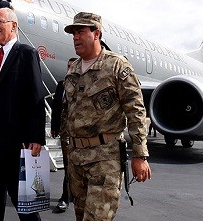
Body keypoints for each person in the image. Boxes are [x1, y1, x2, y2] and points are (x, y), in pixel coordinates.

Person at [62, 12, 152, 221]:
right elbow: (68, 112)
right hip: (76, 160)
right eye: (73, 33)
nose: (75, 37)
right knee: (80, 216)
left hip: (105, 159)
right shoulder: (72, 70)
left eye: (81, 31)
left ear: (97, 34)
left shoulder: (117, 66)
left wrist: (140, 155)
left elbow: (136, 111)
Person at [0, 7, 46, 221]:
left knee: (25, 206)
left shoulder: (26, 54)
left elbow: (36, 96)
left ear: (14, 26)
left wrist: (36, 136)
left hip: (14, 144)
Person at [50, 57, 77, 214]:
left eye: (72, 66)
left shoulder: (85, 85)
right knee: (68, 165)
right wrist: (54, 127)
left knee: (76, 166)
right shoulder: (61, 85)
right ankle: (66, 197)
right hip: (65, 133)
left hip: (81, 135)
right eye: (68, 66)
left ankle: (69, 195)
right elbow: (56, 107)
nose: (69, 69)